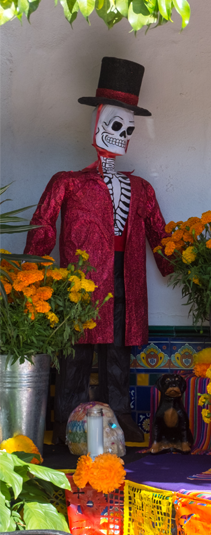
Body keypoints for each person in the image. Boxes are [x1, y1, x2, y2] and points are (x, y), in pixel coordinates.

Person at [24, 57, 172, 444]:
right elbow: (42, 226)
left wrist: (180, 264)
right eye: (115, 125)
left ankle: (118, 421)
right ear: (98, 123)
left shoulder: (140, 189)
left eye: (129, 128)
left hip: (126, 276)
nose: (122, 134)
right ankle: (65, 425)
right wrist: (33, 275)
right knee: (75, 353)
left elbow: (161, 234)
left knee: (119, 354)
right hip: (81, 282)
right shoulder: (68, 182)